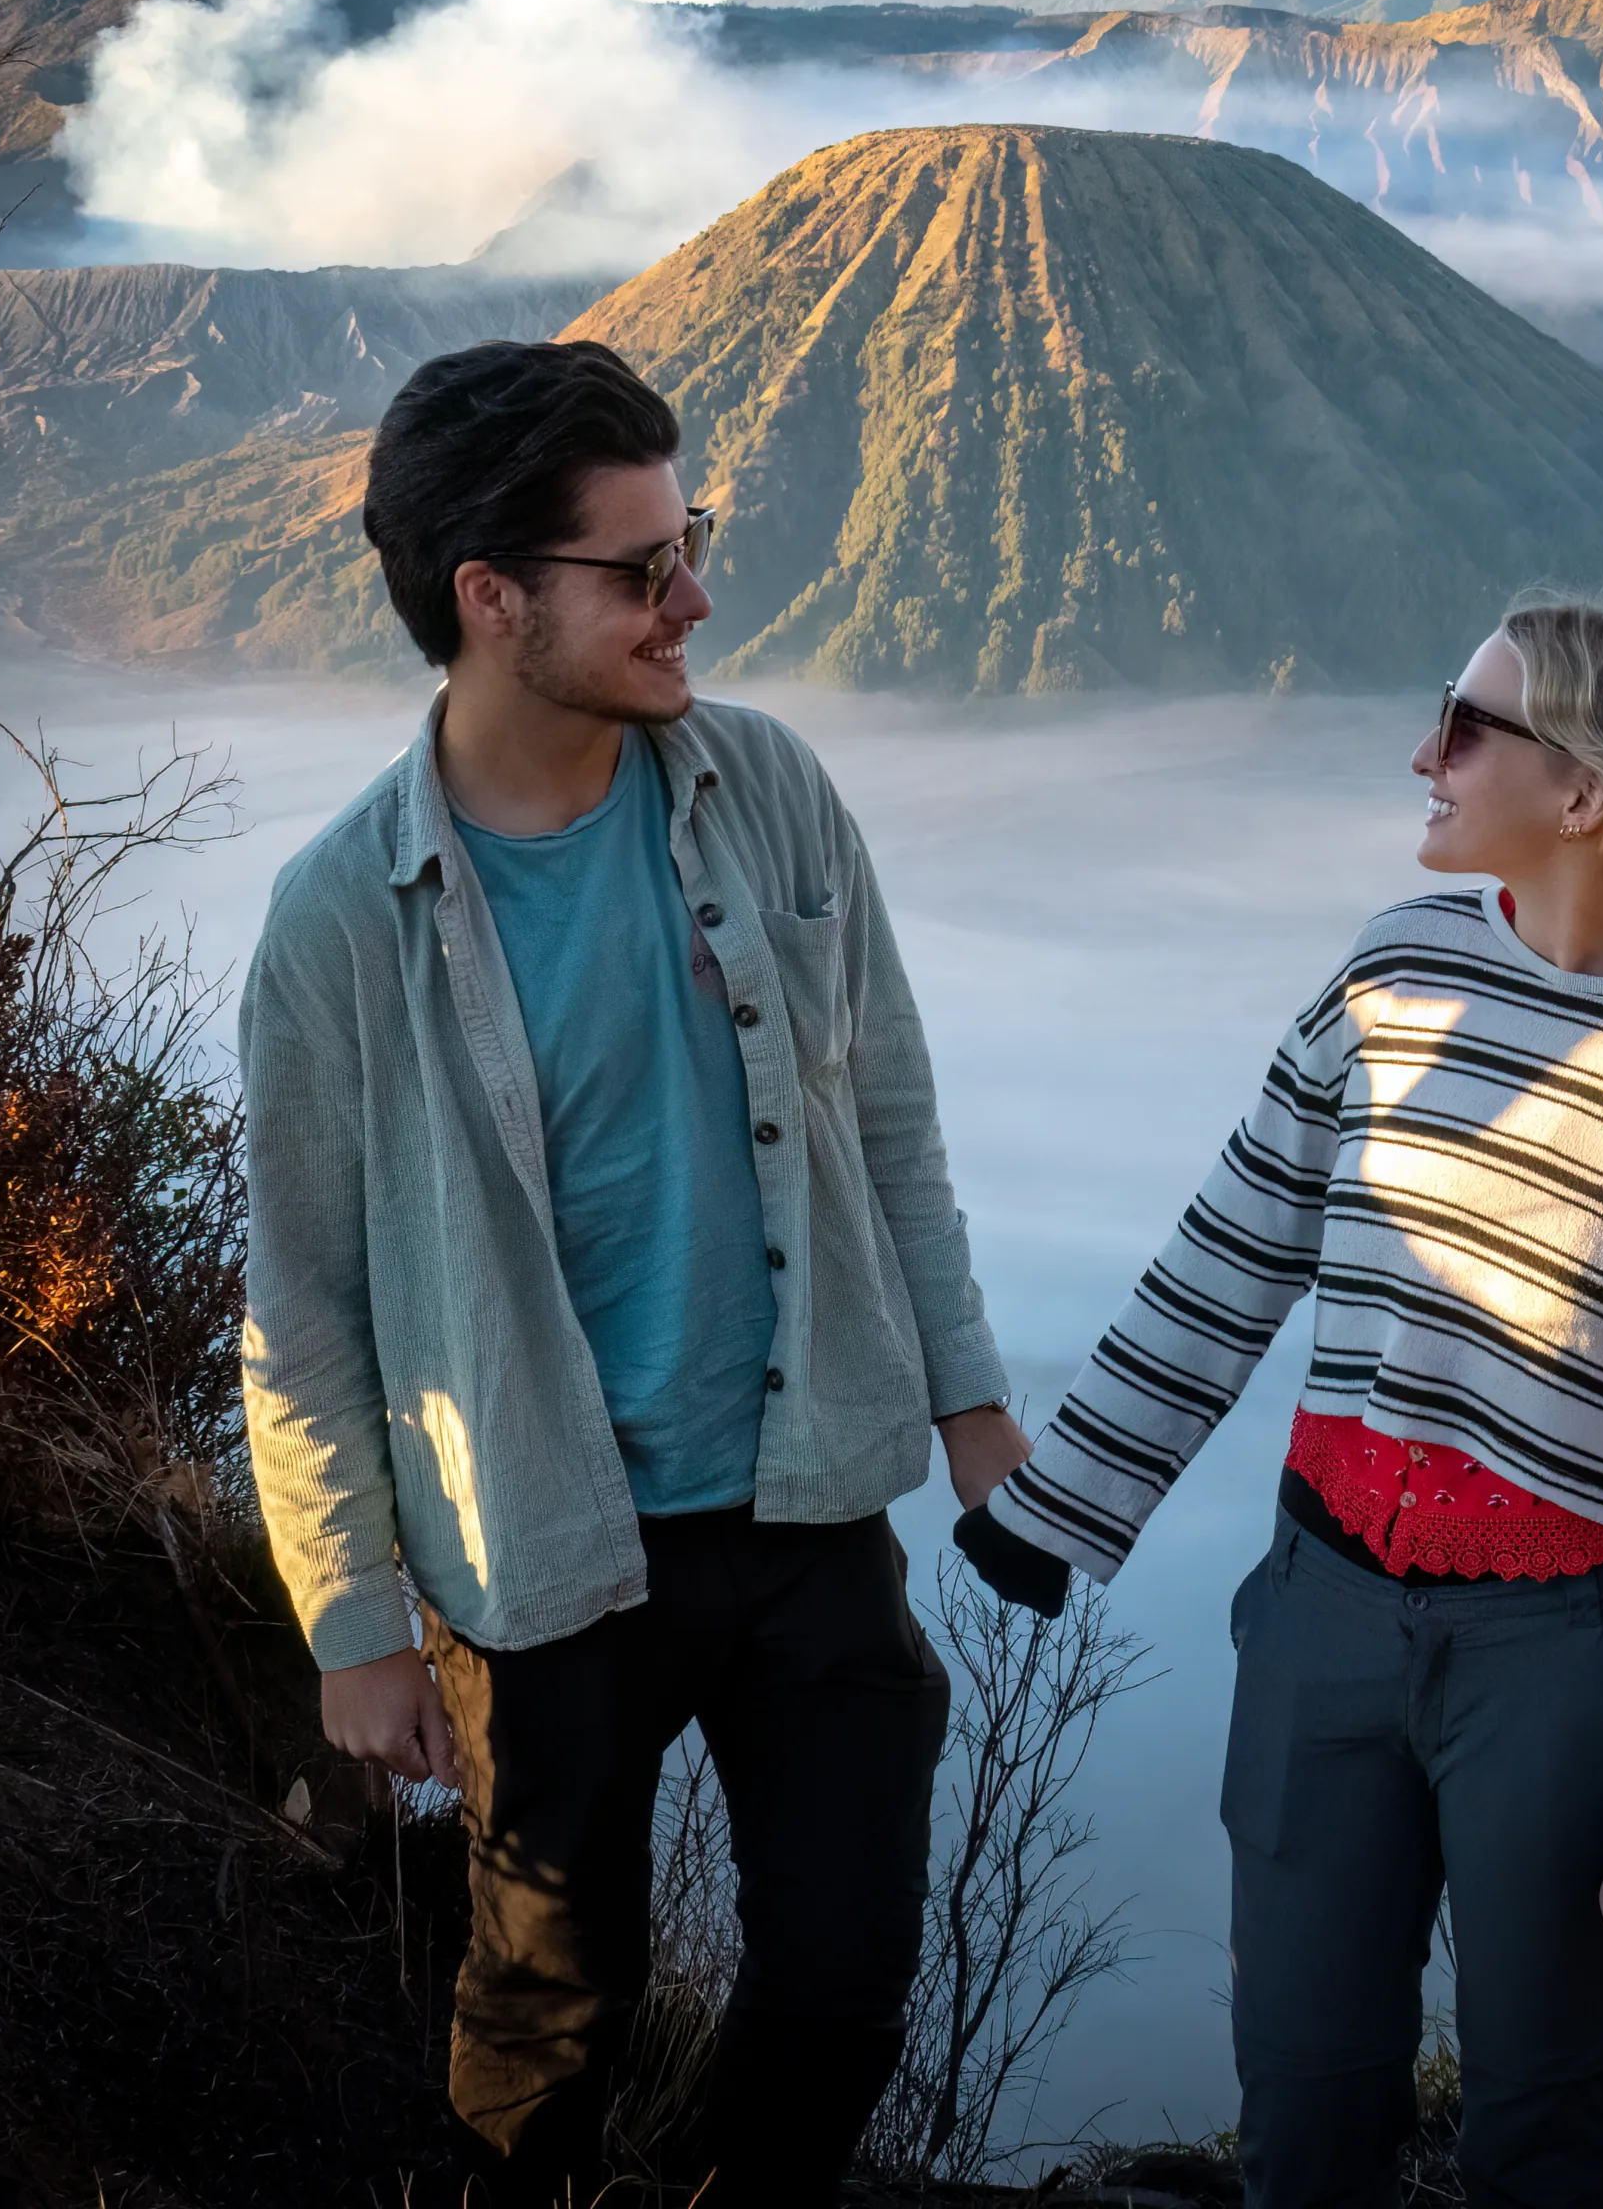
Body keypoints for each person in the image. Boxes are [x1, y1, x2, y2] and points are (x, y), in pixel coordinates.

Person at [238, 338, 1028, 2209]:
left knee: (844, 1986)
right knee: (548, 2016)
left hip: (805, 1497)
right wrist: (353, 1618)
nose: (695, 597)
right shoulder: (344, 918)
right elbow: (307, 1299)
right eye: (641, 567)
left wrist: (975, 1409)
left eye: (691, 539)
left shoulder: (767, 790)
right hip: (540, 1548)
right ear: (489, 600)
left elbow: (889, 1120)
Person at [957, 601, 1603, 2209]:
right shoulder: (1395, 965)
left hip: (1577, 1661)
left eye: (1466, 722)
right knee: (1302, 2109)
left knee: (1544, 2124)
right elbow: (1235, 1244)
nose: (1423, 753)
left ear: (1583, 792)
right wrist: (1068, 1498)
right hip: (1322, 1623)